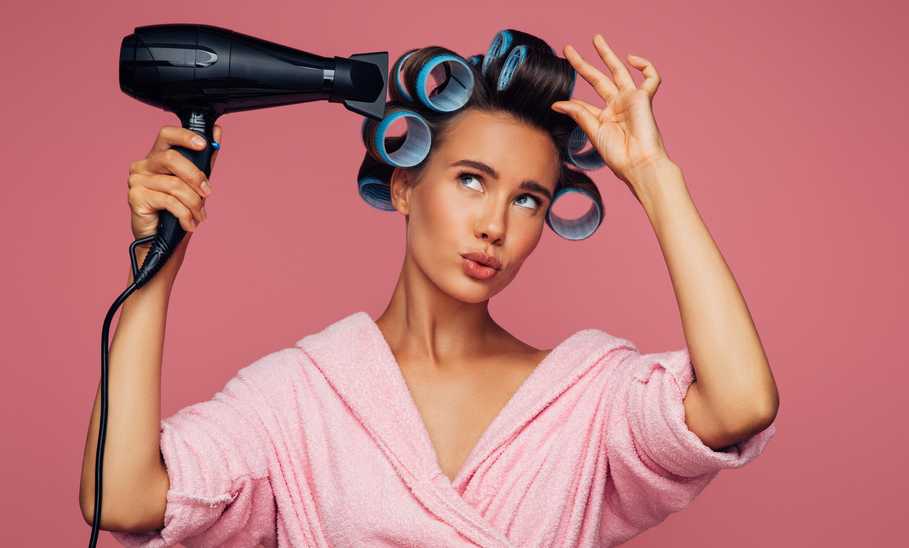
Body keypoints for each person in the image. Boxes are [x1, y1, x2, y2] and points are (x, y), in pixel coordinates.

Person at [80, 29, 779, 547]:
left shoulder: (582, 400)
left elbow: (740, 402)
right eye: (470, 180)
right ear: (405, 183)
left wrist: (655, 177)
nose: (494, 226)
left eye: (528, 199)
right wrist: (153, 267)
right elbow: (120, 497)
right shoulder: (300, 397)